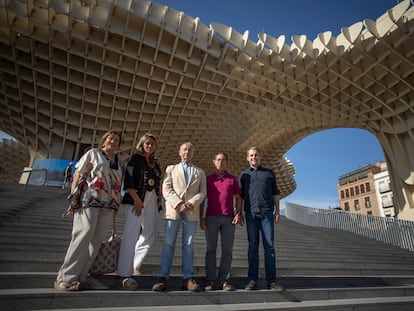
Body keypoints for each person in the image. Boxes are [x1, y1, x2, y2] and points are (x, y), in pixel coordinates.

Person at [54, 130, 124, 291]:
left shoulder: (120, 162)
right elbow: (78, 174)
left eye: (116, 140)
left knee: (96, 241)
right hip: (89, 201)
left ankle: (82, 277)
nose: (113, 142)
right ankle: (66, 277)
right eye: (110, 138)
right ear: (104, 140)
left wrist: (116, 206)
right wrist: (74, 199)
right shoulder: (94, 153)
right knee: (83, 235)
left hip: (108, 205)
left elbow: (118, 185)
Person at [152, 142, 207, 292]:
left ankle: (188, 278)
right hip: (173, 211)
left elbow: (203, 192)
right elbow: (166, 188)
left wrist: (190, 203)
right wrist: (178, 204)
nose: (187, 152)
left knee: (188, 245)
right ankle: (162, 277)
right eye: (185, 149)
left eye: (190, 150)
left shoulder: (200, 172)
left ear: (193, 153)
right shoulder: (171, 169)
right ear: (179, 152)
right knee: (169, 244)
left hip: (191, 212)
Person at [117, 133, 162, 290]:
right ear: (142, 144)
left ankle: (135, 264)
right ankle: (124, 273)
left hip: (151, 199)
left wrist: (158, 198)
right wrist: (137, 200)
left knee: (149, 232)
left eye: (152, 144)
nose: (149, 146)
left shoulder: (155, 164)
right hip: (136, 197)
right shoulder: (135, 159)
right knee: (131, 233)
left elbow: (157, 182)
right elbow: (128, 181)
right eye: (147, 143)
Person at [239, 146, 284, 291]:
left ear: (260, 156)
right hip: (251, 214)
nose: (254, 157)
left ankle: (271, 281)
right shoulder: (244, 175)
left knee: (269, 246)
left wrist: (277, 210)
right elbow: (240, 196)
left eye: (256, 155)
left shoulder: (269, 173)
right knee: (253, 247)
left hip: (267, 214)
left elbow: (275, 193)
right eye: (251, 155)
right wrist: (238, 212)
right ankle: (252, 279)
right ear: (247, 158)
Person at [200, 152, 243, 291]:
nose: (221, 162)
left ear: (226, 163)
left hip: (229, 218)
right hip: (211, 217)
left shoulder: (232, 179)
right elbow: (201, 199)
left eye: (223, 160)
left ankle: (224, 280)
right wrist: (201, 217)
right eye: (218, 160)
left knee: (227, 250)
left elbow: (238, 197)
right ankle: (211, 280)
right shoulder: (207, 179)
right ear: (214, 162)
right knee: (210, 250)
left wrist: (238, 213)